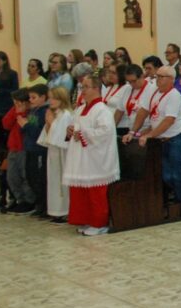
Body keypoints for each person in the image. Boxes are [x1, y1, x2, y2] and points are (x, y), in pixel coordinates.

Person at [123, 65, 181, 217]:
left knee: (176, 174)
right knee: (166, 174)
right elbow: (143, 112)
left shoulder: (175, 96)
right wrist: (133, 131)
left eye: (162, 77)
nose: (158, 80)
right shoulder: (153, 92)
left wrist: (150, 135)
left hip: (176, 138)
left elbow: (168, 120)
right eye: (157, 77)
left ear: (171, 80)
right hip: (161, 139)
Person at [63, 73, 120, 235]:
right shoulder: (80, 109)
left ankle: (99, 223)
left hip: (96, 159)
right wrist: (70, 130)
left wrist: (81, 131)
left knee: (96, 193)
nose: (83, 90)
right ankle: (86, 220)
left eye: (86, 87)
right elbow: (74, 126)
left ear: (96, 88)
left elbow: (105, 132)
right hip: (81, 157)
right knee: (81, 191)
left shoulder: (103, 111)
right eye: (81, 87)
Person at [38, 86, 73, 223]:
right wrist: (48, 122)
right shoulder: (56, 113)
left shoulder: (66, 114)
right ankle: (56, 210)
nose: (50, 101)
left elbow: (60, 137)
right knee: (54, 181)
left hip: (63, 153)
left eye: (54, 98)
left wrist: (51, 122)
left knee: (62, 183)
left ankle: (65, 211)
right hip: (53, 152)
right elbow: (48, 135)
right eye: (50, 97)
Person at [1, 89, 33, 213]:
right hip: (13, 147)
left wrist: (22, 114)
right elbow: (5, 124)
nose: (17, 106)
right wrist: (16, 112)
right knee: (12, 176)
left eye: (19, 103)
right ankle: (19, 199)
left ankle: (28, 201)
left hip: (24, 148)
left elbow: (27, 128)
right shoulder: (14, 110)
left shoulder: (31, 112)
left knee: (24, 176)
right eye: (15, 103)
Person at [20, 84, 49, 218]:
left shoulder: (44, 112)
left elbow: (38, 131)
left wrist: (25, 125)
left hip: (39, 149)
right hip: (30, 147)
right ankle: (39, 204)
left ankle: (44, 206)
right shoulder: (33, 111)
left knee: (39, 179)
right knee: (30, 176)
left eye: (34, 97)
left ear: (43, 97)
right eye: (30, 97)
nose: (30, 100)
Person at [0, 51, 18, 117]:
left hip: (5, 104)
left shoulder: (12, 74)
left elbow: (15, 90)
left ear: (4, 61)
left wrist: (0, 91)